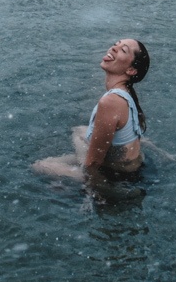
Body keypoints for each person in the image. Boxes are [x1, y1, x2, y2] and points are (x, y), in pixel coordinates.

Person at [33, 38, 150, 184]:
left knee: (41, 165)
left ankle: (70, 190)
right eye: (116, 44)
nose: (114, 48)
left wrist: (91, 194)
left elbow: (93, 164)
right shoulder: (125, 93)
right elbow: (135, 132)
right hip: (131, 164)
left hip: (117, 175)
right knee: (79, 130)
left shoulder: (111, 102)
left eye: (123, 50)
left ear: (131, 70)